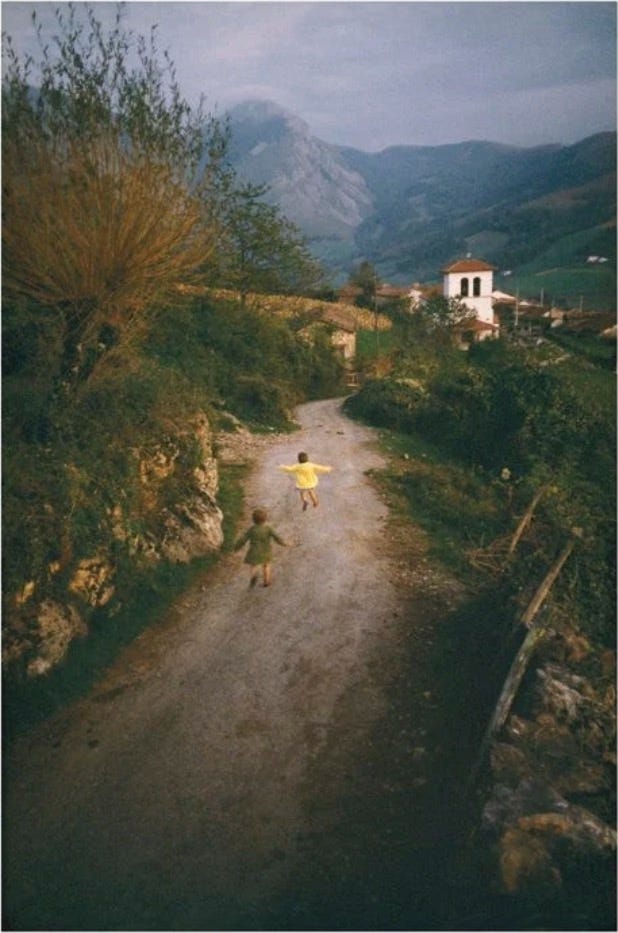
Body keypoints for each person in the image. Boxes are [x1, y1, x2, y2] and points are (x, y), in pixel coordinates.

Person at [234, 507, 287, 588]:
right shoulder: (268, 529)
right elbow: (277, 537)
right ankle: (266, 581)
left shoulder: (252, 529)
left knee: (254, 566)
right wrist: (284, 543)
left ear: (253, 520)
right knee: (266, 565)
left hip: (254, 551)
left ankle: (254, 575)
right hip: (266, 551)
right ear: (265, 519)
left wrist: (236, 547)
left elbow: (243, 539)